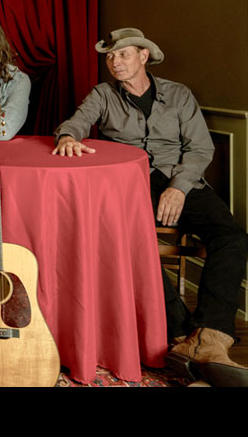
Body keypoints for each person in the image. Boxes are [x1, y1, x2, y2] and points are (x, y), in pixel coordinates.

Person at [52, 27, 248, 387]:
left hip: (181, 181)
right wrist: (67, 136)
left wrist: (178, 188)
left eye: (123, 54)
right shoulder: (103, 94)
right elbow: (77, 122)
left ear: (144, 56)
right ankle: (180, 335)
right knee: (130, 243)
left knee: (233, 237)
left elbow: (200, 148)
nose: (114, 62)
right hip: (130, 184)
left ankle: (211, 336)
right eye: (110, 56)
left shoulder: (178, 94)